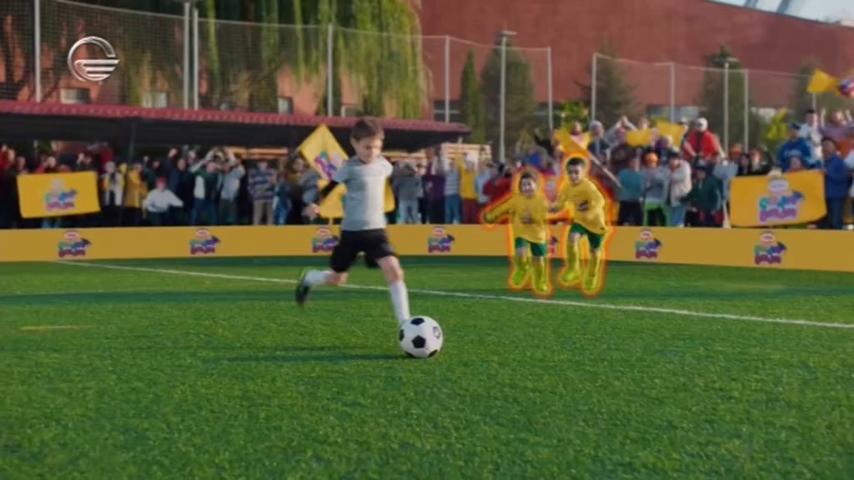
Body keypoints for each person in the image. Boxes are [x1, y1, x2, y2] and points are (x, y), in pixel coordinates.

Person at [295, 118, 412, 326]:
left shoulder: (384, 165)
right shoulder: (348, 168)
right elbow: (328, 189)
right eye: (367, 147)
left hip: (377, 232)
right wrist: (315, 205)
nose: (372, 152)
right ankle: (310, 278)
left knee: (394, 270)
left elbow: (390, 174)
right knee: (337, 279)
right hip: (352, 233)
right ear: (354, 143)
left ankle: (405, 323)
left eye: (377, 147)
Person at [482, 171, 552, 296]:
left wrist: (533, 218)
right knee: (520, 252)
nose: (527, 187)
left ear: (536, 185)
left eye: (529, 184)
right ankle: (521, 268)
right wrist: (492, 216)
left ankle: (540, 281)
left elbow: (544, 216)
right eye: (524, 185)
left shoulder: (541, 200)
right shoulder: (516, 200)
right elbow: (503, 208)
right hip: (521, 232)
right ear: (520, 187)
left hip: (538, 234)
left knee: (539, 258)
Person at [551, 157, 610, 296]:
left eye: (576, 172)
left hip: (596, 223)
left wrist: (590, 212)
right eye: (570, 172)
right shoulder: (566, 187)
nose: (573, 176)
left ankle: (592, 275)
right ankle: (574, 269)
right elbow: (561, 202)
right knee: (572, 237)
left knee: (595, 250)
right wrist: (553, 208)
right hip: (580, 221)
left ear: (583, 172)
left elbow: (600, 201)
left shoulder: (588, 186)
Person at [820, 137, 850, 230]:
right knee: (824, 223)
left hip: (836, 198)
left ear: (834, 147)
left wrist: (828, 173)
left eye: (828, 145)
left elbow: (843, 177)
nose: (825, 147)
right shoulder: (820, 163)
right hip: (823, 198)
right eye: (823, 145)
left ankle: (838, 239)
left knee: (835, 222)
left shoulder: (840, 162)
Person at [641, 152, 668, 226]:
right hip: (650, 200)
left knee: (662, 221)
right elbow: (642, 188)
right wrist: (647, 186)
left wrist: (657, 180)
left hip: (661, 200)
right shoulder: (643, 172)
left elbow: (665, 183)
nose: (651, 163)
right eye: (649, 161)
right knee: (650, 221)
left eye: (653, 161)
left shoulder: (662, 171)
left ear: (656, 161)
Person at [616, 155, 644, 226]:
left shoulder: (642, 175)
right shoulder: (623, 173)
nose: (634, 164)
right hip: (625, 200)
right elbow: (618, 184)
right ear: (629, 163)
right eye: (633, 162)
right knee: (621, 221)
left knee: (639, 221)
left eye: (636, 163)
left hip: (636, 201)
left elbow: (642, 188)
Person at [219, 152, 245, 225]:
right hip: (223, 196)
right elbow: (224, 168)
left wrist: (234, 164)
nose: (236, 161)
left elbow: (240, 173)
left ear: (240, 161)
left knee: (233, 217)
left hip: (233, 197)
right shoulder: (227, 167)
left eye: (238, 160)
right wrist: (230, 163)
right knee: (221, 216)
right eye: (235, 160)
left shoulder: (240, 169)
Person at [667, 156, 692, 227]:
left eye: (673, 159)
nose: (671, 161)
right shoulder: (671, 167)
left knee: (678, 221)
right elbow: (664, 177)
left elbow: (676, 177)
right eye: (670, 159)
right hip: (672, 199)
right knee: (673, 221)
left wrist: (672, 170)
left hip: (681, 198)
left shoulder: (685, 166)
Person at [249, 160, 275, 225]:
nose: (263, 164)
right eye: (261, 163)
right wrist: (254, 194)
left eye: (264, 163)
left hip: (269, 197)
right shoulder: (253, 173)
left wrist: (272, 183)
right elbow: (250, 185)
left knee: (270, 215)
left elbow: (274, 184)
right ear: (258, 164)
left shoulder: (271, 172)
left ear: (267, 164)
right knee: (257, 215)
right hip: (258, 198)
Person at [460, 154, 479, 224]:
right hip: (466, 199)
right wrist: (464, 159)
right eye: (467, 163)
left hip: (474, 200)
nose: (468, 165)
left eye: (470, 163)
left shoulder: (476, 174)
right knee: (466, 218)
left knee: (474, 218)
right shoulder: (464, 173)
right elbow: (459, 162)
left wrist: (477, 196)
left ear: (473, 164)